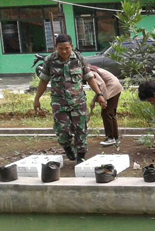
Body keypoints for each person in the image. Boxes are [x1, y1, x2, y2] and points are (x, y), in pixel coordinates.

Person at [33, 34, 106, 163]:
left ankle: (81, 155)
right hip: (59, 102)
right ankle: (67, 147)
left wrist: (99, 95)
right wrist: (37, 99)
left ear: (71, 46)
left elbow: (89, 78)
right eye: (61, 48)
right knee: (63, 131)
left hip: (78, 101)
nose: (64, 51)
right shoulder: (50, 60)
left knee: (80, 129)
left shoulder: (79, 58)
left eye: (67, 48)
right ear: (56, 47)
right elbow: (43, 81)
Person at [89, 65, 123, 146]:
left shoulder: (90, 72)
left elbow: (101, 85)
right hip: (115, 87)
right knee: (111, 113)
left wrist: (104, 101)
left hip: (112, 87)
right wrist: (93, 101)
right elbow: (98, 90)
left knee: (106, 113)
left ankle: (110, 138)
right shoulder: (92, 69)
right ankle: (115, 137)